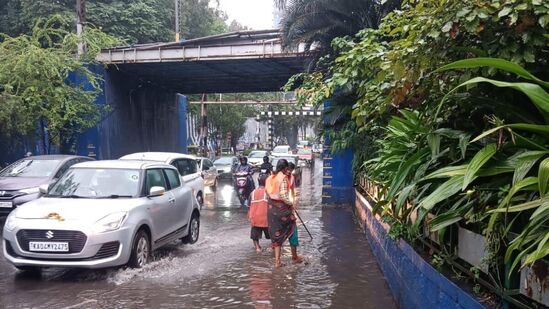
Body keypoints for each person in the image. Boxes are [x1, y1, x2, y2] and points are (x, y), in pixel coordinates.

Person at [265, 159, 303, 267]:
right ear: (285, 168)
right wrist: (290, 203)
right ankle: (295, 257)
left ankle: (277, 261)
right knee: (293, 227)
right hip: (282, 210)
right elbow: (283, 196)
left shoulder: (270, 178)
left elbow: (267, 193)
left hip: (272, 210)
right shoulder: (283, 178)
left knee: (277, 234)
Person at [248, 174, 270, 253]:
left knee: (255, 236)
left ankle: (257, 248)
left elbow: (249, 205)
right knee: (272, 235)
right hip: (266, 218)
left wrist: (250, 216)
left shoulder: (252, 193)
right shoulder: (268, 192)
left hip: (255, 218)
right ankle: (272, 247)